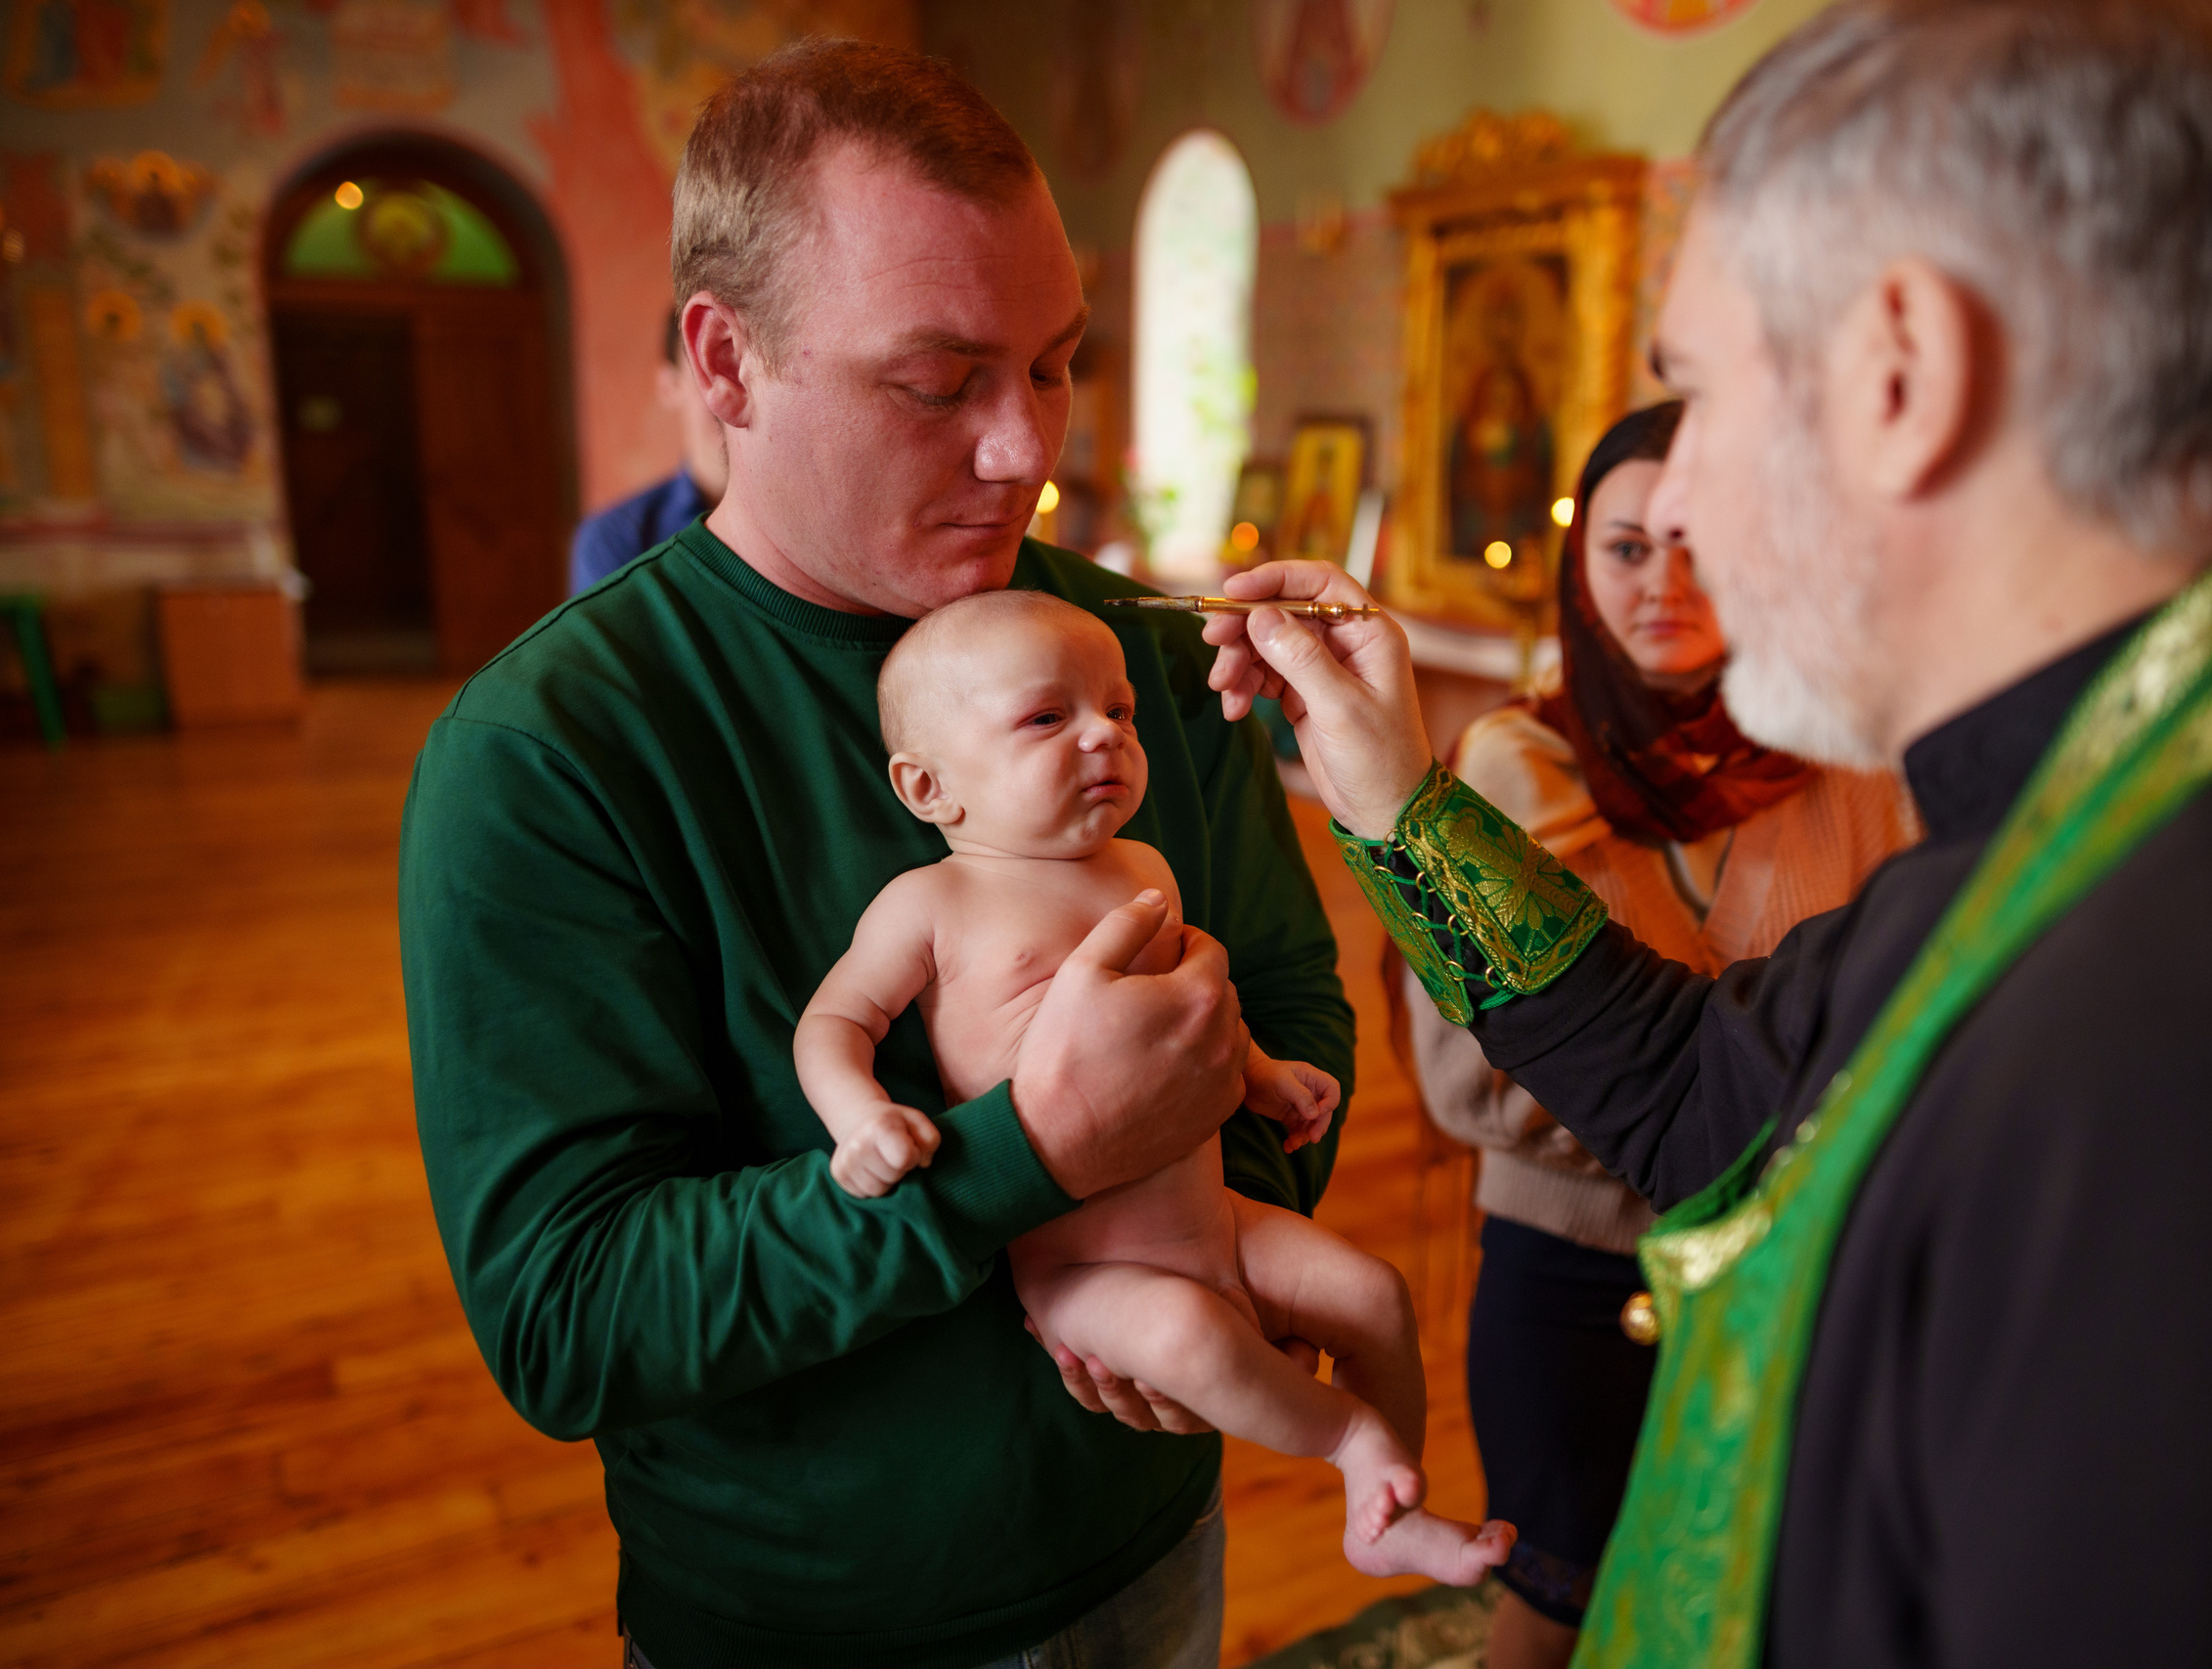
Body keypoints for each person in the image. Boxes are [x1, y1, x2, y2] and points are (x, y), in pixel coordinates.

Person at [1196, 2, 2212, 1663]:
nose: (1670, 510)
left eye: (1701, 392)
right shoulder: (2079, 830)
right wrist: (1393, 789)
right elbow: (1702, 1092)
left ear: (1902, 372)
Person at [400, 40, 1354, 1669]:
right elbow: (570, 1312)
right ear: (726, 361)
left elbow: (1287, 1003)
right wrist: (1021, 1160)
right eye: (938, 384)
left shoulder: (1128, 644)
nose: (1020, 448)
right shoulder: (549, 754)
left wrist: (1180, 1261)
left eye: (1055, 364)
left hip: (1155, 1535)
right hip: (812, 1616)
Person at [798, 590, 1513, 1584]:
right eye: (1049, 717)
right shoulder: (930, 905)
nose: (1104, 735)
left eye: (1120, 711)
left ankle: (1390, 1512)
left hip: (1216, 1216)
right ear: (928, 788)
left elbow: (1187, 1011)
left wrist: (1260, 1077)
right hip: (1087, 1275)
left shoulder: (1141, 866)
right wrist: (858, 1114)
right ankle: (1350, 1444)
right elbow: (834, 1025)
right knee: (1184, 1335)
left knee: (1372, 1294)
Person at [1403, 402, 1915, 1666]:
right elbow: (1467, 1078)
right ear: (1581, 564)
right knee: (1556, 1598)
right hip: (1568, 1273)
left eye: (1705, 541)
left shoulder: (1846, 759)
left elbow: (1896, 1014)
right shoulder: (1509, 765)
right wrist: (1746, 1089)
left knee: (1743, 1599)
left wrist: (1656, 1067)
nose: (1664, 581)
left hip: (1783, 1271)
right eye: (1626, 547)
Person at [566, 311, 731, 593]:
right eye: (712, 371)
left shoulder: (806, 522)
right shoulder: (616, 540)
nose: (731, 394)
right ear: (670, 386)